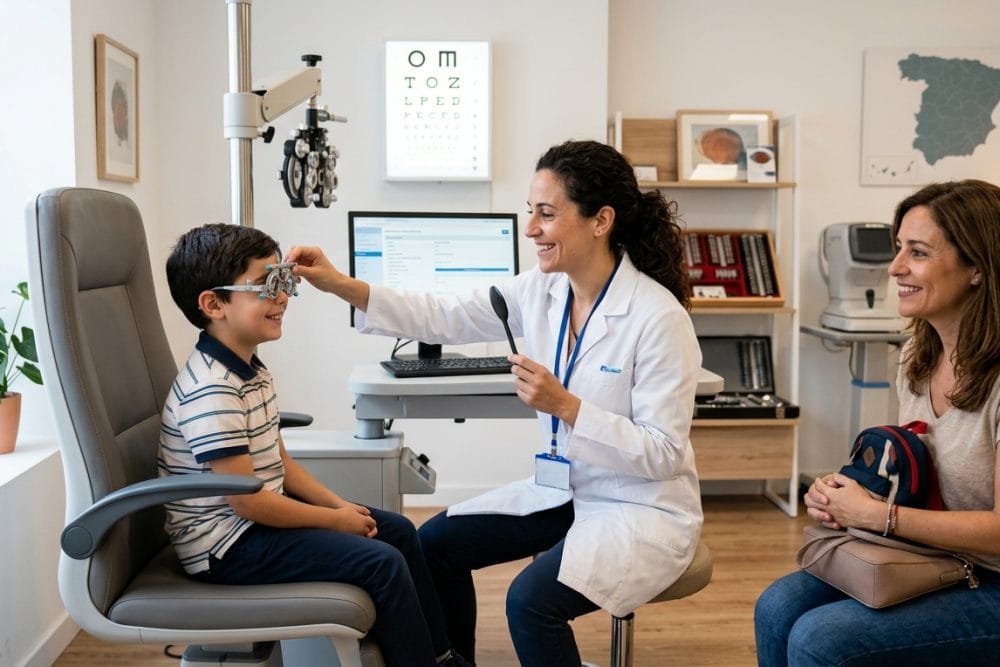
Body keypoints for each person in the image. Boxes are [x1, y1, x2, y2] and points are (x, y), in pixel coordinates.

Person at [287, 139, 704, 666]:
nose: (530, 228)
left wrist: (567, 407)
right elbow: (443, 314)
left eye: (546, 214)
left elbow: (664, 453)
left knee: (530, 602)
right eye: (531, 211)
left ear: (600, 220)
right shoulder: (542, 290)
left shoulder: (657, 318)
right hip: (565, 489)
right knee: (431, 546)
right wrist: (341, 285)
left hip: (638, 505)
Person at [156, 223, 470, 667]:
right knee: (381, 562)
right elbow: (247, 504)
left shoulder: (250, 369)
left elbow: (279, 461)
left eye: (283, 282)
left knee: (396, 531)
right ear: (213, 303)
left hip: (252, 525)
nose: (282, 296)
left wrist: (341, 507)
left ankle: (441, 657)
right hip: (226, 548)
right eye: (267, 285)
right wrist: (333, 521)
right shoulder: (212, 389)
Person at [754, 179, 1000, 666]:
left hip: (992, 575)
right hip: (943, 558)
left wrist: (877, 516)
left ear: (976, 267)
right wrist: (845, 494)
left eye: (919, 252)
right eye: (897, 248)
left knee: (822, 640)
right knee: (777, 608)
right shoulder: (917, 357)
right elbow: (912, 473)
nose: (895, 267)